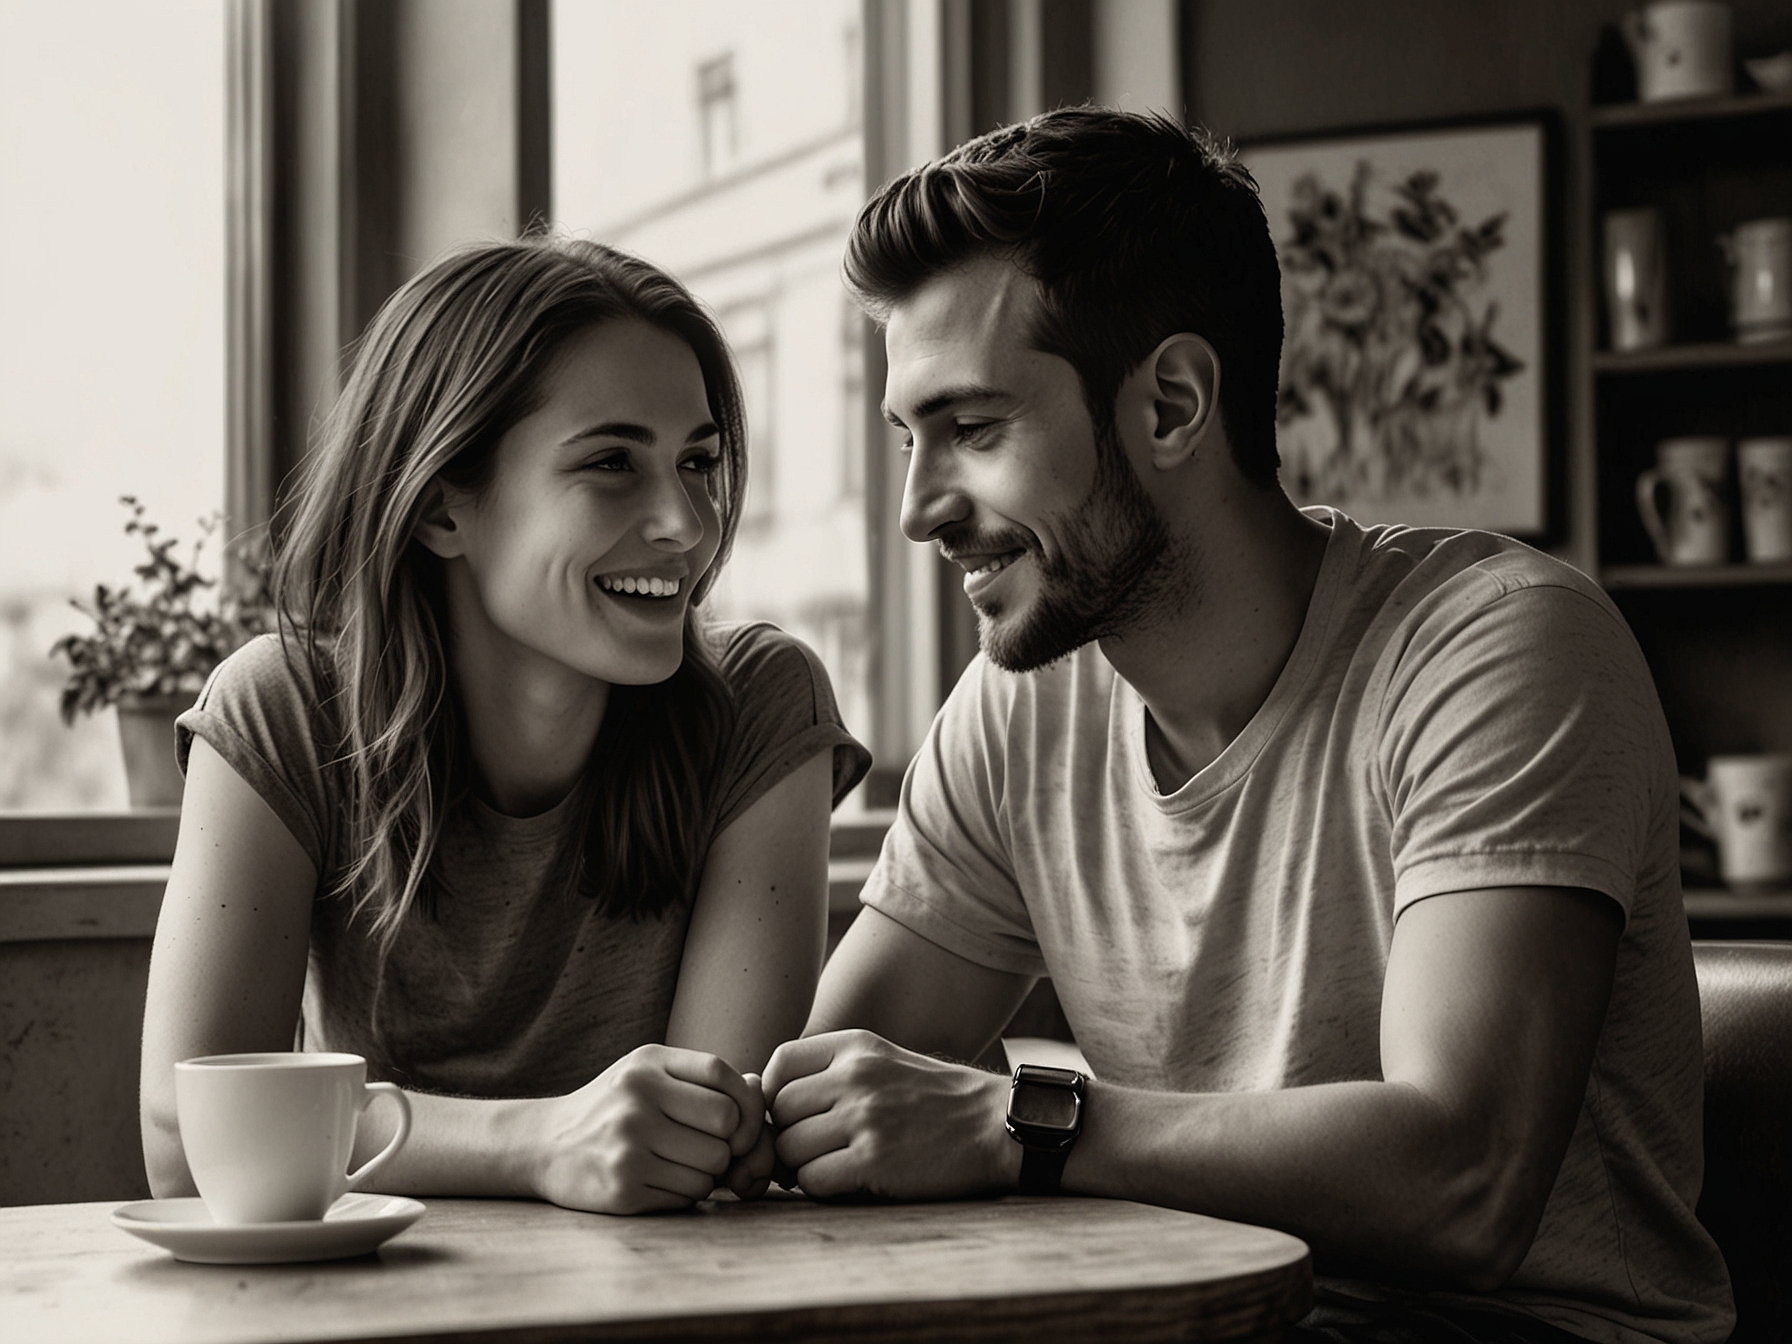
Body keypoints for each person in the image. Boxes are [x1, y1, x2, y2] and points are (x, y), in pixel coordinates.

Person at [760, 108, 1733, 1343]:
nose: (916, 509)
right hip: (1191, 1315)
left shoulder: (1499, 645)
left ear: (1170, 404)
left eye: (976, 430)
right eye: (909, 438)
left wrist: (1018, 1121)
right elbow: (841, 1093)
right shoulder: (1019, 707)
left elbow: (1466, 1185)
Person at [140, 236, 869, 1215]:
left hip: (657, 1296)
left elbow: (705, 1139)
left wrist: (384, 1138)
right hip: (368, 1299)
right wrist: (530, 1145)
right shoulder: (283, 710)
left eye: (698, 462)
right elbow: (189, 1139)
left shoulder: (759, 704)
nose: (687, 524)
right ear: (442, 507)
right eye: (612, 462)